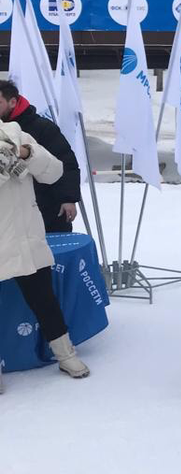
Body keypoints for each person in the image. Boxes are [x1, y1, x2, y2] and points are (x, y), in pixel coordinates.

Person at [0, 120, 89, 392]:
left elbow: (54, 172)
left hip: (27, 236)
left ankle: (65, 355)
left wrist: (26, 153)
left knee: (44, 299)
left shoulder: (16, 132)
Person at [0, 80, 81, 233]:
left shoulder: (41, 127)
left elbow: (66, 162)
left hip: (47, 208)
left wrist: (68, 198)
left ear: (12, 102)